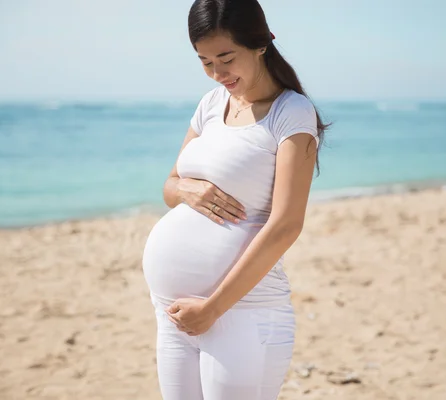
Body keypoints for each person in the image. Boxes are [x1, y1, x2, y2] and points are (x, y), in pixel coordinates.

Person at [141, 0, 329, 398]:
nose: (217, 73)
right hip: (174, 314)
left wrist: (212, 308)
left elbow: (286, 225)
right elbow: (170, 186)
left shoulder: (291, 113)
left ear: (260, 43)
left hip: (241, 313)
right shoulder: (211, 104)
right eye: (205, 61)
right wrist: (188, 189)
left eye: (226, 58)